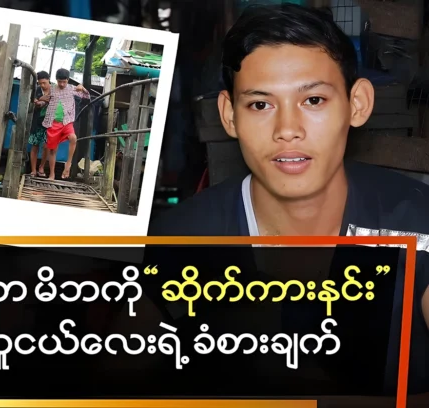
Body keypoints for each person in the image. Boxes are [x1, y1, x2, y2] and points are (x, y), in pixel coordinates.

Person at [150, 3, 429, 395]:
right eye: (260, 104)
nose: (287, 130)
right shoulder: (179, 240)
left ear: (358, 104)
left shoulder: (418, 223)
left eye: (313, 100)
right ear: (230, 115)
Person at [41, 68, 90, 179]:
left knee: (73, 138)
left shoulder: (72, 89)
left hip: (66, 121)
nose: (62, 84)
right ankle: (52, 174)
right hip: (52, 123)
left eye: (64, 81)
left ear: (68, 80)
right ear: (56, 80)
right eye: (60, 81)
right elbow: (44, 97)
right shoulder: (52, 89)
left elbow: (87, 97)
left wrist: (82, 88)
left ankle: (68, 164)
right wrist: (42, 99)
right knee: (53, 150)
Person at [28, 71, 51, 177]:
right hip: (37, 121)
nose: (42, 85)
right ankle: (33, 170)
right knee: (35, 145)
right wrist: (41, 100)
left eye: (44, 83)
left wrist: (41, 101)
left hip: (49, 122)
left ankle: (41, 167)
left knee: (46, 146)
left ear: (48, 80)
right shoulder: (36, 90)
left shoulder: (54, 90)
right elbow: (33, 102)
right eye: (40, 83)